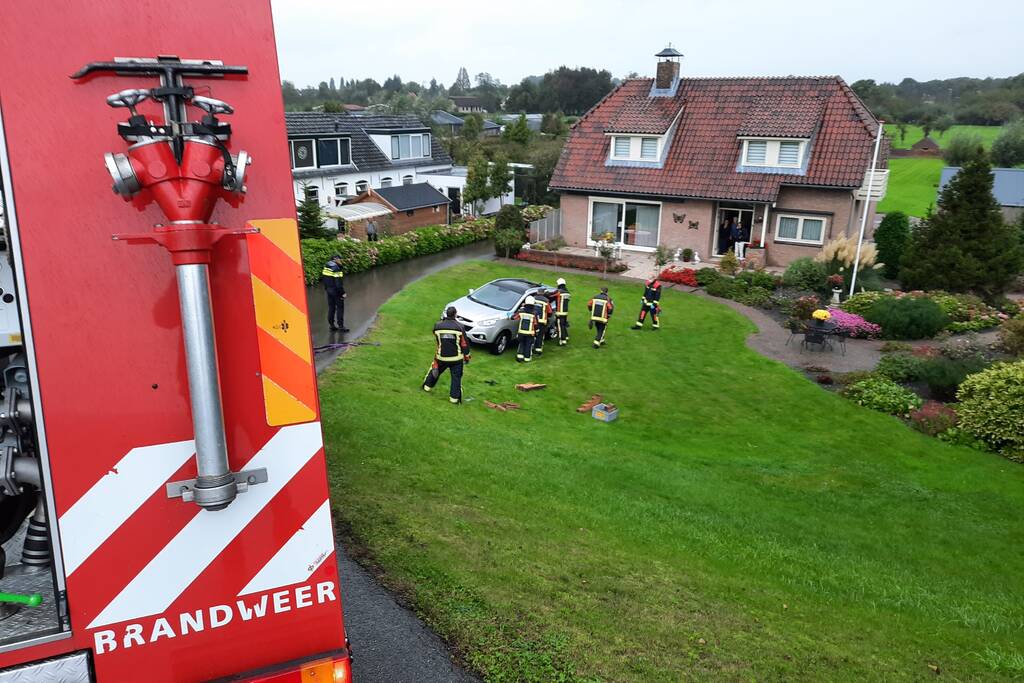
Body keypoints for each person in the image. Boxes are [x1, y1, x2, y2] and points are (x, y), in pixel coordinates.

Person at [422, 306, 471, 404]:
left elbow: (438, 340)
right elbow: (464, 344)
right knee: (456, 378)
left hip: (441, 357)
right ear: (455, 314)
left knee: (435, 371)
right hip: (456, 359)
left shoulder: (437, 326)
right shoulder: (460, 327)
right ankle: (454, 399)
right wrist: (467, 356)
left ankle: (426, 387)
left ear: (446, 314)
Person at [321, 254, 348, 332]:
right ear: (336, 259)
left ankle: (332, 325)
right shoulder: (336, 268)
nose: (341, 261)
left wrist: (327, 289)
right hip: (336, 291)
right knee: (340, 308)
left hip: (329, 290)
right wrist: (343, 293)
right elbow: (338, 284)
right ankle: (341, 326)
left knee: (331, 308)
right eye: (340, 259)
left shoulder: (326, 266)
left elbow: (324, 279)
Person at [513, 295, 539, 363]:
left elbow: (514, 317)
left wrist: (520, 309)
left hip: (521, 332)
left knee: (521, 343)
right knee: (528, 345)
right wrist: (537, 331)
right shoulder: (535, 313)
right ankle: (527, 358)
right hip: (530, 333)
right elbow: (536, 324)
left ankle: (519, 356)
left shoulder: (521, 311)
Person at [532, 290, 553, 356]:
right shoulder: (546, 301)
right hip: (542, 321)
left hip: (533, 320)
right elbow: (550, 312)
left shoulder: (533, 298)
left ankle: (530, 348)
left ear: (537, 292)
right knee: (540, 335)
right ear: (543, 293)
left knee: (532, 334)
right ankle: (538, 350)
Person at [552, 278, 571, 345]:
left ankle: (562, 340)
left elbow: (551, 296)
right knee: (563, 325)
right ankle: (566, 336)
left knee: (560, 326)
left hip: (559, 312)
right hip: (565, 312)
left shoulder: (559, 292)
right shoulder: (567, 292)